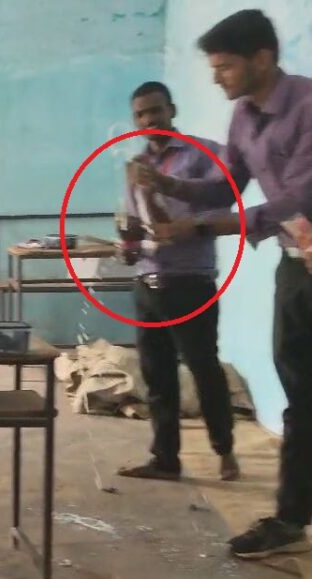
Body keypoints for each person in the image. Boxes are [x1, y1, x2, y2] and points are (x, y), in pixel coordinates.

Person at [130, 9, 312, 559]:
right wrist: (162, 184)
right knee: (300, 392)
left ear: (261, 59)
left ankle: (286, 511)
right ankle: (291, 518)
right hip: (296, 261)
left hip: (290, 245)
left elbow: (297, 200)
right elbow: (224, 188)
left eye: (226, 66)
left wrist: (203, 226)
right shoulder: (242, 118)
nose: (217, 78)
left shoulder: (306, 106)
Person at [114, 82, 241, 484]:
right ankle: (165, 459)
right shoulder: (135, 165)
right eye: (141, 115)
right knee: (156, 375)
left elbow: (220, 213)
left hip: (191, 282)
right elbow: (135, 227)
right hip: (147, 282)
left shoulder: (205, 156)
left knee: (204, 369)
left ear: (173, 109)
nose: (150, 120)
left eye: (156, 111)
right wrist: (128, 244)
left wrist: (180, 225)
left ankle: (225, 451)